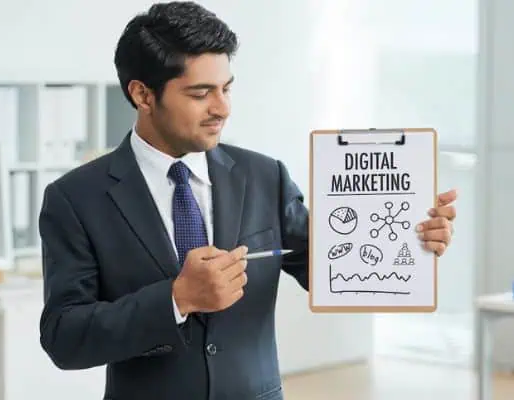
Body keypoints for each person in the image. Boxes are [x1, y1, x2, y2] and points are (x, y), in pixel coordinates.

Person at [38, 2, 457, 399]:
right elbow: (65, 336)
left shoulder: (264, 177)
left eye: (226, 88)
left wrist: (411, 240)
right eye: (201, 93)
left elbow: (334, 270)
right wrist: (176, 298)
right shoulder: (75, 199)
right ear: (143, 95)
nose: (222, 108)